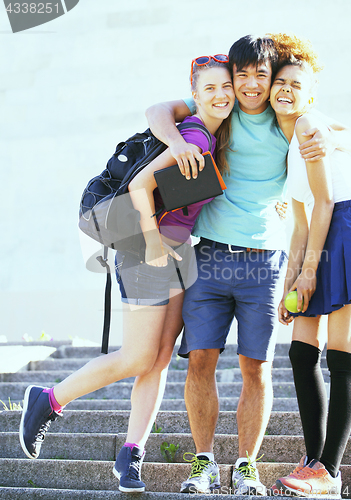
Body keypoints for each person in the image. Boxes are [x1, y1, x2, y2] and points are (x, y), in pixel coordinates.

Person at [145, 34, 351, 496]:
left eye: (260, 76)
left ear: (272, 82)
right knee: (200, 361)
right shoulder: (220, 111)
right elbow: (157, 112)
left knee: (257, 367)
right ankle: (204, 463)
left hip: (265, 262)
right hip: (209, 254)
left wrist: (328, 133)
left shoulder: (289, 118)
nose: (249, 85)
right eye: (241, 75)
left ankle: (246, 465)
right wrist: (176, 143)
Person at [19, 55, 236, 493]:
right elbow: (140, 184)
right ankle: (48, 400)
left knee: (157, 362)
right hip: (147, 249)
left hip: (180, 253)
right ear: (194, 94)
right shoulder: (194, 134)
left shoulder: (212, 134)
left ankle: (131, 454)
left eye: (225, 87)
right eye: (209, 88)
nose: (220, 95)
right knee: (138, 357)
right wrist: (154, 241)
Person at [267, 34, 351, 497]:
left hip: (347, 229)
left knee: (339, 354)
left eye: (297, 83)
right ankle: (313, 459)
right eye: (280, 81)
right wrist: (289, 281)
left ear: (310, 93)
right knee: (302, 351)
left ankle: (329, 471)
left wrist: (309, 271)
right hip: (319, 234)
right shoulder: (284, 143)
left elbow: (324, 204)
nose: (286, 88)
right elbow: (298, 225)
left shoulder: (308, 125)